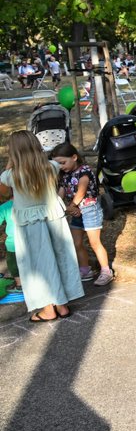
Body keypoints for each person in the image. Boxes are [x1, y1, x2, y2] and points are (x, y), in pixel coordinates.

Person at [0, 131, 83, 322]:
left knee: (37, 264)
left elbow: (2, 193)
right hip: (53, 219)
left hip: (30, 225)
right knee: (59, 257)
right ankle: (62, 305)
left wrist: (11, 164)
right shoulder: (52, 167)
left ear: (14, 152)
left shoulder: (10, 175)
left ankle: (48, 309)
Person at [51, 142, 114, 286]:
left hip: (89, 210)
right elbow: (61, 192)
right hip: (75, 212)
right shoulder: (64, 174)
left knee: (94, 242)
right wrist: (59, 204)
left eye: (62, 163)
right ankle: (85, 269)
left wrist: (72, 205)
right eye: (57, 165)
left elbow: (81, 190)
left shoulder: (84, 171)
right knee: (77, 242)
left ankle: (106, 271)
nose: (61, 167)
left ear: (74, 157)